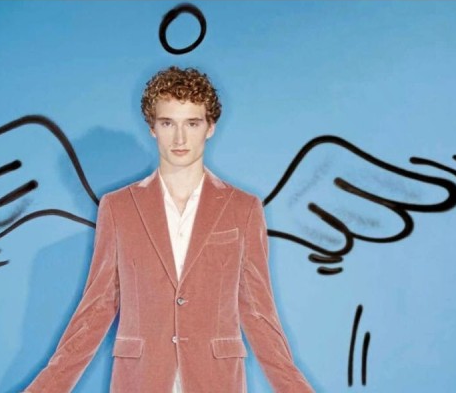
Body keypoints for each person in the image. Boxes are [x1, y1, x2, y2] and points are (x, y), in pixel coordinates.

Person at [24, 66, 313, 392]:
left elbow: (258, 314)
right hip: (140, 380)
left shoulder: (243, 208)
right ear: (152, 128)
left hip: (215, 380)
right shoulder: (118, 207)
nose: (180, 138)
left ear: (210, 127)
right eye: (167, 123)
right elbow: (97, 308)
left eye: (192, 123)